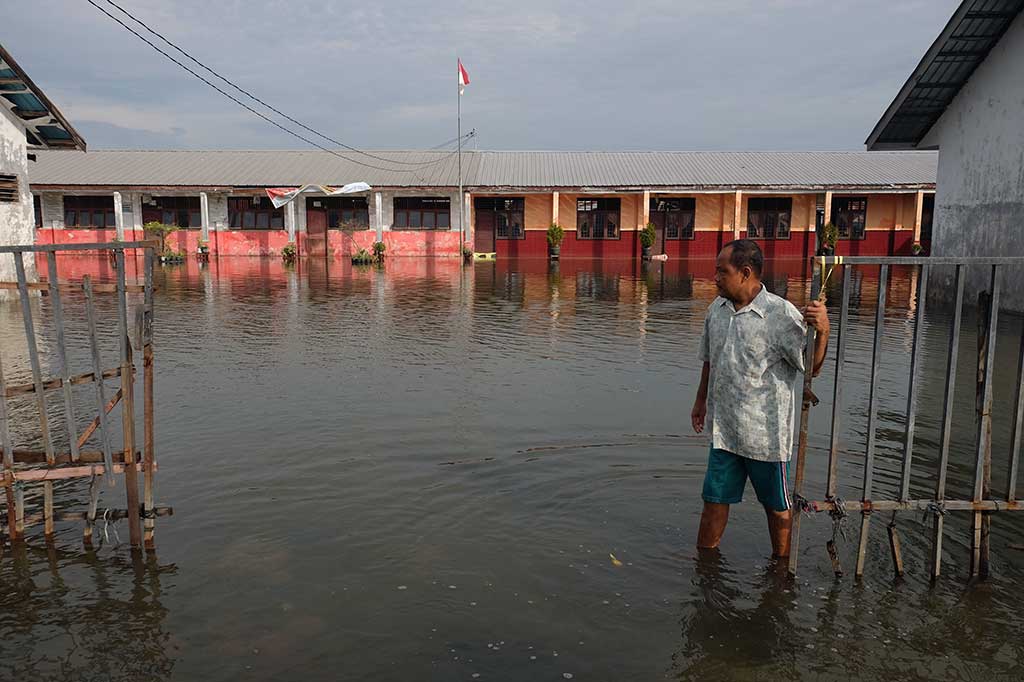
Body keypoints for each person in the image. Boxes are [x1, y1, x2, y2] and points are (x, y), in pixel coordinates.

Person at [691, 240, 830, 558]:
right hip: (725, 432)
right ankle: (705, 565)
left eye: (722, 272)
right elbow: (710, 360)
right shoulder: (717, 310)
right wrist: (700, 401)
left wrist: (823, 331)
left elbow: (811, 367)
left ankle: (781, 568)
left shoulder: (780, 314)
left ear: (745, 273)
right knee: (713, 502)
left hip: (765, 437)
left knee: (777, 508)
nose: (715, 278)